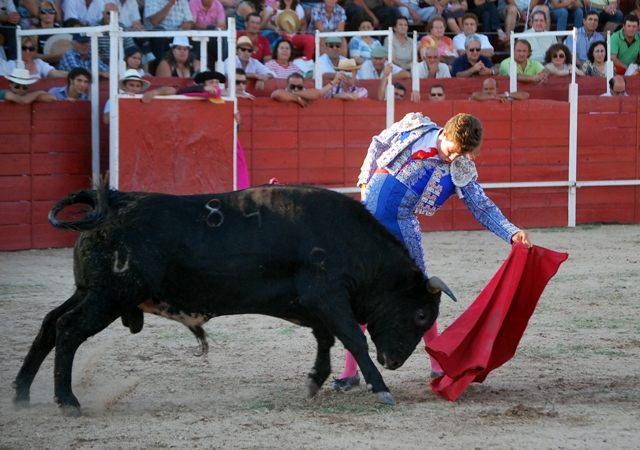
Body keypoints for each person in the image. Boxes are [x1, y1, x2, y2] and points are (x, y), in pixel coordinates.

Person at [331, 112, 532, 391]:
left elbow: (481, 206)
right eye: (453, 151)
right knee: (360, 297)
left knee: (421, 297)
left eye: (463, 154)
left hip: (401, 228)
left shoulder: (460, 167)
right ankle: (350, 372)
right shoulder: (415, 127)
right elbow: (378, 143)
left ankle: (437, 366)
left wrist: (511, 232)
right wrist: (364, 180)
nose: (455, 158)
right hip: (366, 224)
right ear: (445, 134)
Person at [271, 71, 344, 105]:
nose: (296, 89)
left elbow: (319, 93)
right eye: (292, 86)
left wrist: (334, 82)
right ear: (287, 86)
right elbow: (277, 94)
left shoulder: (305, 92)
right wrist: (298, 99)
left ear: (303, 86)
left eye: (299, 87)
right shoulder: (284, 92)